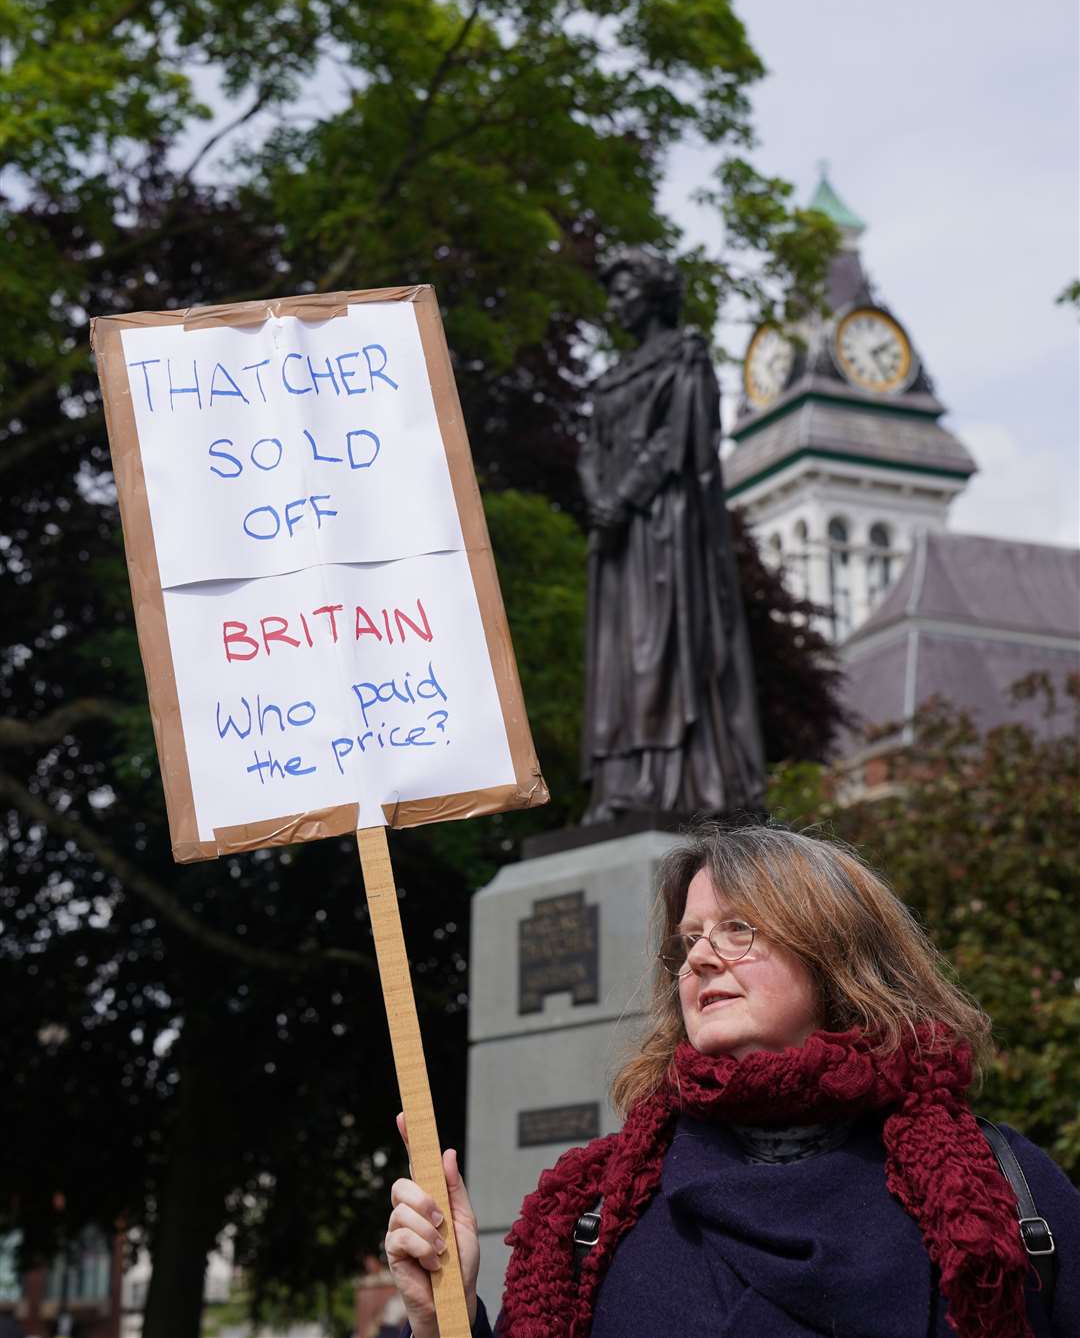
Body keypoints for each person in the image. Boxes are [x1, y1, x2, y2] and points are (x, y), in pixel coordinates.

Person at [385, 824, 1080, 1337]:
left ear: (836, 953)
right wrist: (445, 1315)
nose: (702, 960)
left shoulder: (1002, 1191)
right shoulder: (593, 1209)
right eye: (690, 939)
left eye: (739, 928)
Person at [578, 249, 764, 823]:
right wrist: (598, 502)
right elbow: (588, 449)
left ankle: (669, 784)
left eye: (624, 290)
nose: (615, 305)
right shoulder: (611, 379)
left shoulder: (685, 355)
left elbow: (680, 440)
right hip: (617, 536)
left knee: (659, 648)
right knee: (617, 659)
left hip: (664, 529)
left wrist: (624, 497)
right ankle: (618, 785)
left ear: (654, 293)